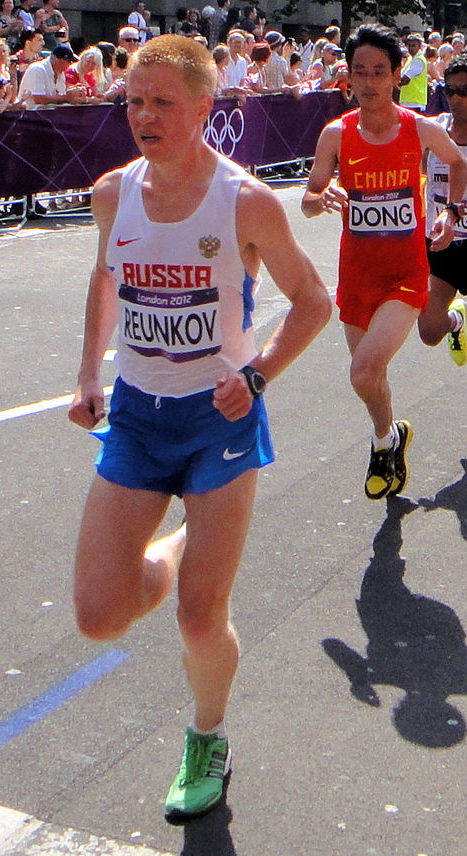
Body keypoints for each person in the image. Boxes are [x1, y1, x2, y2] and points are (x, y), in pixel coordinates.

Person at [68, 33, 331, 823]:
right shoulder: (113, 192)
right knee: (98, 615)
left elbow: (314, 303)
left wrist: (255, 377)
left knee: (198, 616)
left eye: (161, 103)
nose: (143, 116)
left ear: (204, 109)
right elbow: (106, 277)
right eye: (133, 102)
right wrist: (88, 373)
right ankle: (182, 540)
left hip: (219, 419)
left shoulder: (244, 200)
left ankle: (206, 735)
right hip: (140, 418)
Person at [302, 24, 467, 501]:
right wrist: (322, 195)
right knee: (370, 376)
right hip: (357, 274)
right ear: (347, 78)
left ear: (398, 75)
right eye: (360, 72)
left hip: (406, 272)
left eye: (379, 71)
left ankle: (381, 442)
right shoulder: (336, 134)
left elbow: (457, 163)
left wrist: (450, 214)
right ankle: (388, 437)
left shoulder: (420, 128)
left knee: (362, 370)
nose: (369, 82)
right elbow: (310, 198)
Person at [418, 54, 467, 365]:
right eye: (450, 90)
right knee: (429, 331)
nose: (456, 98)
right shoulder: (435, 130)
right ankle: (457, 321)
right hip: (440, 245)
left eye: (464, 91)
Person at [16, 42, 85, 104]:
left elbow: (60, 96)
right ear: (56, 59)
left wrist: (73, 94)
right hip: (29, 113)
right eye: (68, 61)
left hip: (47, 112)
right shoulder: (38, 69)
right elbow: (38, 99)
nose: (69, 64)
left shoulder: (60, 73)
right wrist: (66, 97)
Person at [399, 32, 428, 112]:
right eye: (409, 45)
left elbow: (404, 80)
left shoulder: (418, 60)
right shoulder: (410, 59)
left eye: (414, 45)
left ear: (419, 46)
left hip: (415, 103)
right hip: (408, 101)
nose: (411, 48)